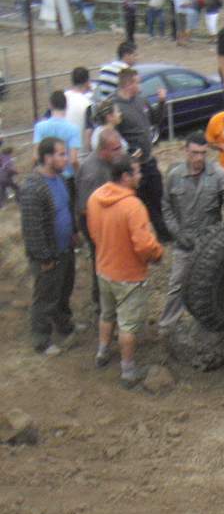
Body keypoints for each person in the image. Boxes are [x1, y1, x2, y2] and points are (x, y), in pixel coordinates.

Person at [87, 155, 163, 387]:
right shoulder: (133, 206)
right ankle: (128, 371)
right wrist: (158, 253)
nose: (141, 176)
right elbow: (144, 245)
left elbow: (93, 232)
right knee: (128, 325)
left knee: (107, 314)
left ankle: (102, 351)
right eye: (137, 172)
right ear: (126, 176)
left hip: (103, 268)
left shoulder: (95, 198)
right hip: (128, 275)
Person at [159, 133, 224, 333]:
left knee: (210, 286)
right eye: (194, 153)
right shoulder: (174, 176)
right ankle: (168, 325)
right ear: (186, 151)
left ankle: (210, 324)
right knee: (177, 284)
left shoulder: (218, 175)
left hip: (209, 244)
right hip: (184, 242)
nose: (198, 158)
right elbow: (166, 207)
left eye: (202, 153)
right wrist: (176, 233)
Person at [19, 138, 78, 357]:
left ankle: (64, 324)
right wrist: (44, 257)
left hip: (65, 249)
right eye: (61, 154)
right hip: (48, 255)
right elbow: (32, 229)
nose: (66, 158)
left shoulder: (61, 179)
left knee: (64, 291)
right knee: (45, 298)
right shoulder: (33, 187)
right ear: (47, 158)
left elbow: (66, 209)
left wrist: (73, 233)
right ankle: (41, 339)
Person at [113, 68, 169, 240]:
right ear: (129, 84)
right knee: (137, 202)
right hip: (133, 167)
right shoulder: (115, 107)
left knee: (157, 195)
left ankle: (162, 233)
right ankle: (139, 235)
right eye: (138, 82)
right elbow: (113, 135)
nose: (141, 86)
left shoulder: (141, 100)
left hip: (149, 160)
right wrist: (128, 153)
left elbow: (155, 120)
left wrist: (161, 102)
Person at [76, 128, 124, 308]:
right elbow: (84, 210)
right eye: (116, 149)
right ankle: (101, 302)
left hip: (107, 223)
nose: (120, 152)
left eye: (120, 147)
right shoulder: (92, 173)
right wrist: (103, 233)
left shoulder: (109, 161)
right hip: (95, 227)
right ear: (103, 150)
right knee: (102, 262)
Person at [33, 91, 81, 199]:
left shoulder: (40, 127)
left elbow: (36, 156)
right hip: (67, 178)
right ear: (66, 106)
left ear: (50, 105)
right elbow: (73, 160)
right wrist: (79, 174)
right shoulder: (73, 129)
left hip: (45, 177)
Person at [64, 66, 92, 153]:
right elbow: (88, 134)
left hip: (59, 152)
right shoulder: (87, 104)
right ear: (87, 82)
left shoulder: (62, 97)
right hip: (78, 154)